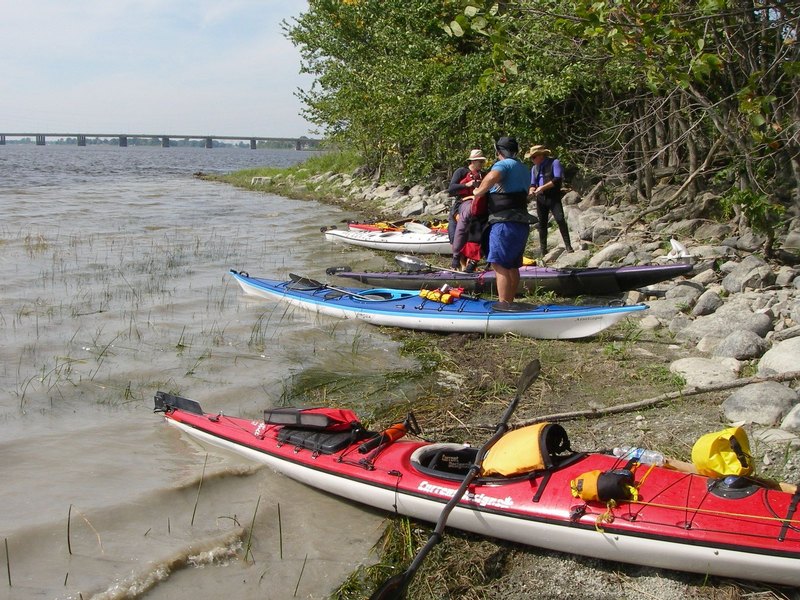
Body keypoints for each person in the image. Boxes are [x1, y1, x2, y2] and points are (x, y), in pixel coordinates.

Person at [471, 136, 536, 305]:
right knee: (513, 266)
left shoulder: (503, 164)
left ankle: (503, 306)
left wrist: (478, 191)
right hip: (521, 223)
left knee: (499, 265)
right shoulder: (523, 168)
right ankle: (510, 302)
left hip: (504, 222)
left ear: (498, 151)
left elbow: (492, 176)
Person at [526, 145, 573, 255]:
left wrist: (542, 187)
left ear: (541, 155)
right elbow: (533, 184)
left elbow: (557, 179)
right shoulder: (534, 168)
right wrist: (532, 190)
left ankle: (568, 246)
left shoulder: (554, 163)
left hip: (553, 196)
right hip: (541, 198)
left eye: (533, 157)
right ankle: (543, 250)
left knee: (560, 219)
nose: (532, 160)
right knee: (542, 224)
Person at [447, 149, 486, 269]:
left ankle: (472, 261)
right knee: (457, 230)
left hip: (478, 205)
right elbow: (451, 189)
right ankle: (458, 259)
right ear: (472, 162)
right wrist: (466, 185)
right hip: (462, 204)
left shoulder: (483, 175)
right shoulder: (461, 172)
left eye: (482, 161)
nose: (481, 164)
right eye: (479, 161)